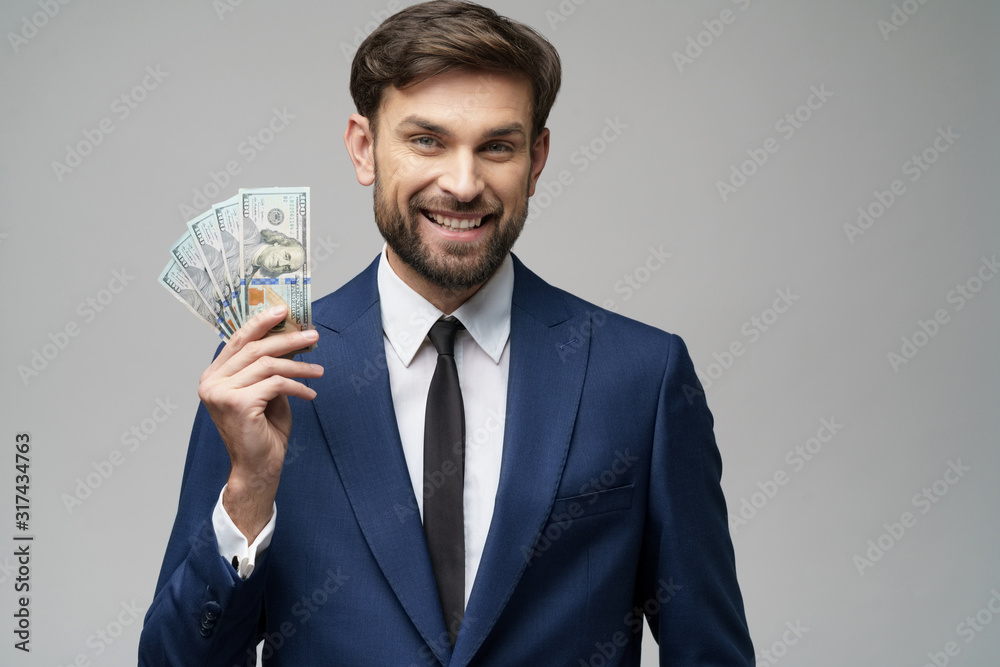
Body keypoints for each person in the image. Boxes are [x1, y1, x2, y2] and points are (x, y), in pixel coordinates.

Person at [138, 2, 754, 664]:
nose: (462, 184)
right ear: (364, 148)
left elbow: (709, 650)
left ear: (536, 159)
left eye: (497, 146)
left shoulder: (640, 376)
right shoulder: (263, 370)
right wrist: (248, 494)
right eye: (427, 140)